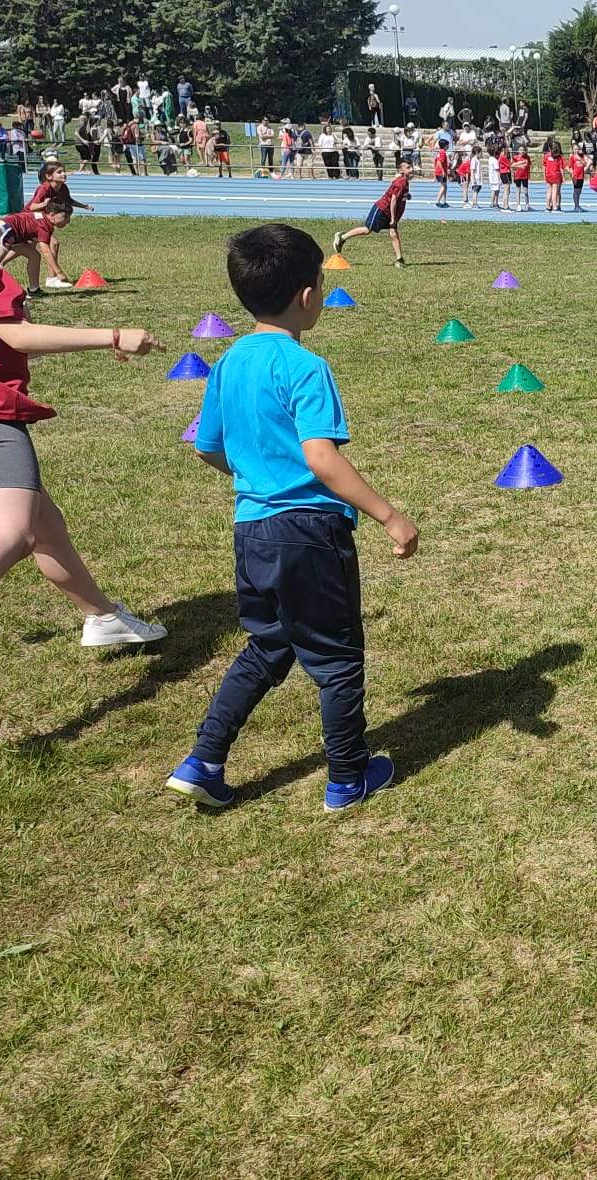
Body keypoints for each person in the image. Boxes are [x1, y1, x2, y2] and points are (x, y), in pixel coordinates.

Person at [164, 224, 416, 810]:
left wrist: (256, 478)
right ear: (308, 295)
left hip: (253, 531)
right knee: (335, 659)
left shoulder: (227, 363)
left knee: (268, 646)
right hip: (311, 534)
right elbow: (322, 459)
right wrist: (388, 515)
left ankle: (204, 759)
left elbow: (206, 445)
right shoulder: (305, 367)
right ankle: (347, 779)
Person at [0, 180, 167, 707]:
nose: (0, 229)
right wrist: (112, 335)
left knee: (45, 529)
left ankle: (102, 616)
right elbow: (18, 335)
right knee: (12, 532)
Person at [331, 161, 412, 267]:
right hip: (382, 210)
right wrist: (393, 218)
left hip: (390, 213)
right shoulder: (401, 182)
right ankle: (342, 237)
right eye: (408, 167)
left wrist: (407, 195)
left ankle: (399, 259)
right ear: (401, 170)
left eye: (411, 167)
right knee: (367, 230)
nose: (411, 170)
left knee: (394, 234)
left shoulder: (404, 181)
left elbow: (397, 193)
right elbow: (393, 199)